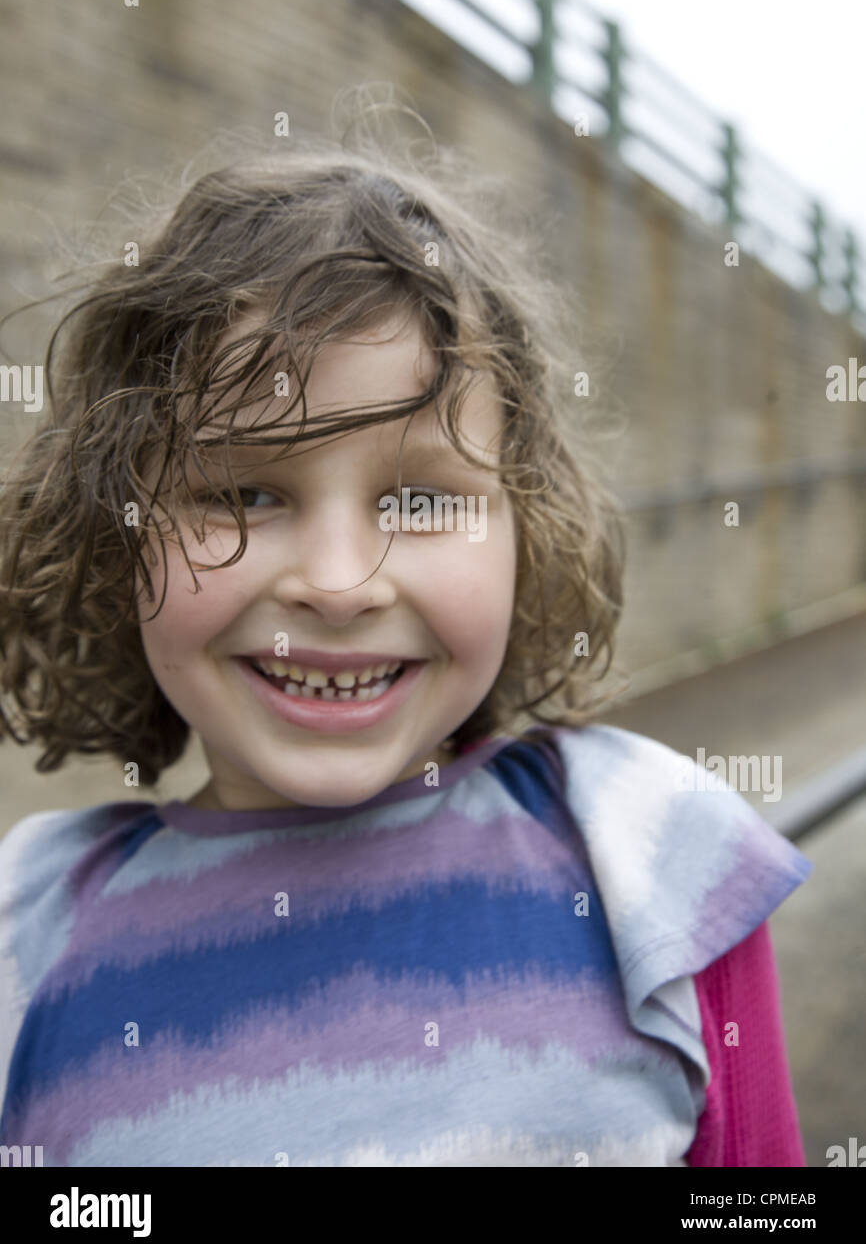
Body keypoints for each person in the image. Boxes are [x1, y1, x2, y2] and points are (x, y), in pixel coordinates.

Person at [0, 93, 810, 1167]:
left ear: (529, 523)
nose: (339, 585)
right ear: (119, 537)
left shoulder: (656, 859)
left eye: (420, 501)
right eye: (243, 497)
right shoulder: (29, 944)